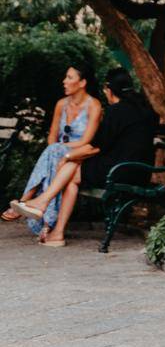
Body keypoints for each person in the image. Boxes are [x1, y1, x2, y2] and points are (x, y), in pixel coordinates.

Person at [10, 69, 157, 246]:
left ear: (108, 90)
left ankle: (43, 206)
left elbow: (95, 147)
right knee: (73, 171)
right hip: (138, 170)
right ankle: (52, 223)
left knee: (72, 166)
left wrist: (68, 156)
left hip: (121, 171)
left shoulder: (117, 111)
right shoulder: (145, 111)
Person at [3, 64, 102, 239]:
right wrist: (56, 150)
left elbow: (87, 140)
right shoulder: (61, 104)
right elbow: (52, 135)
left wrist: (60, 149)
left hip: (80, 155)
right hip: (58, 156)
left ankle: (25, 200)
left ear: (82, 82)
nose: (64, 81)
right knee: (53, 154)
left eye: (70, 77)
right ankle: (47, 225)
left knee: (55, 150)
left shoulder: (94, 105)